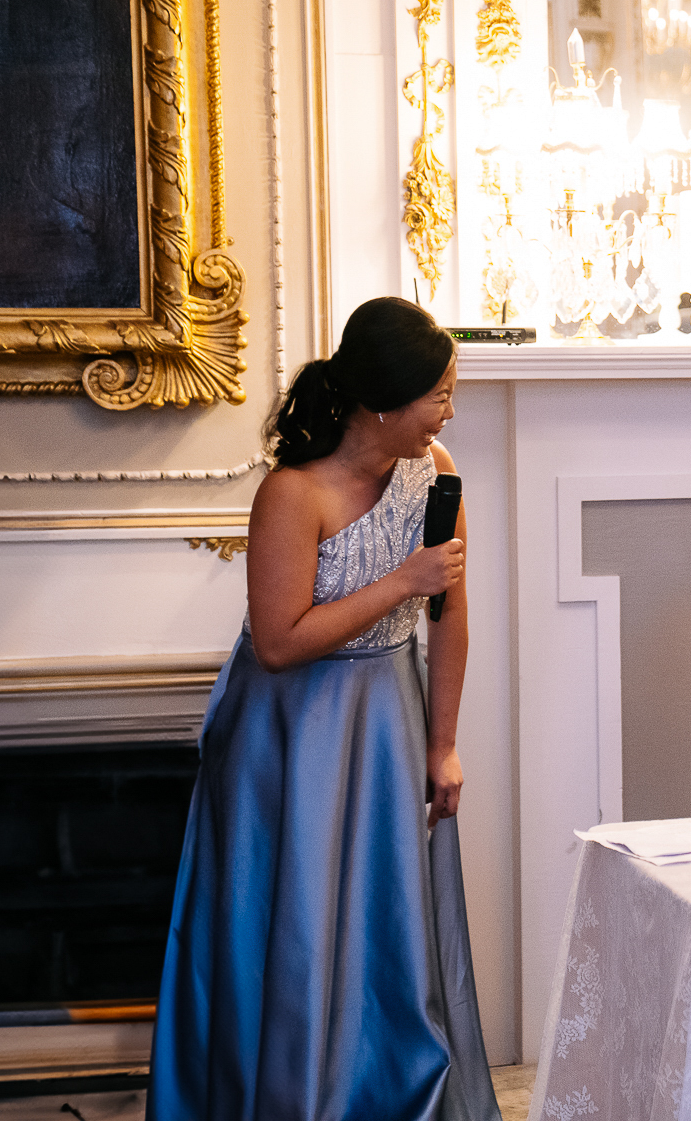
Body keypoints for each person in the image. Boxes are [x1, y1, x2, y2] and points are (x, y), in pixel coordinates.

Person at [149, 298, 500, 1121]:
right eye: (439, 393)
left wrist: (443, 744)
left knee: (388, 929)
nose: (448, 410)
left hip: (388, 719)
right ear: (385, 399)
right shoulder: (292, 493)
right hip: (288, 734)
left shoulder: (436, 470)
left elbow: (450, 619)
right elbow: (278, 641)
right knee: (294, 930)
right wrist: (400, 583)